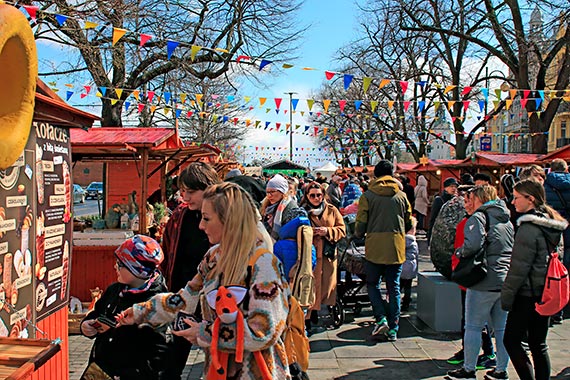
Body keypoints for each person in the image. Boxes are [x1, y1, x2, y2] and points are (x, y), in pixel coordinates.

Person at [118, 182, 290, 379]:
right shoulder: (213, 257)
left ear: (229, 221)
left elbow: (265, 331)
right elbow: (184, 299)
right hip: (218, 370)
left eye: (207, 218)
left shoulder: (264, 264)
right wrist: (140, 312)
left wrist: (205, 333)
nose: (201, 226)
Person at [501, 179, 568, 380]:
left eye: (516, 197)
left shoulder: (528, 228)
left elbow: (519, 268)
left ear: (530, 199)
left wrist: (507, 297)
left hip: (527, 294)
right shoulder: (551, 223)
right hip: (546, 291)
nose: (513, 202)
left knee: (511, 341)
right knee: (538, 343)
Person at [446, 185, 514, 380]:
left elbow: (472, 246)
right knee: (501, 328)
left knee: (473, 326)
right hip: (504, 279)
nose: (468, 203)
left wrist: (459, 252)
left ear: (480, 199)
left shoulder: (478, 218)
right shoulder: (506, 220)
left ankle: (469, 369)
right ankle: (501, 370)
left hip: (483, 280)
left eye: (471, 199)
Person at [160, 162, 220, 379]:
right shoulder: (180, 215)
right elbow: (166, 251)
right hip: (185, 293)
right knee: (176, 352)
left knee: (216, 356)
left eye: (191, 192)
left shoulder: (227, 218)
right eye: (183, 191)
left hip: (217, 299)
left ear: (209, 188)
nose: (185, 196)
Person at [80, 235, 168, 380]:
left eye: (120, 264)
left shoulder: (156, 303)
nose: (115, 267)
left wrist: (117, 330)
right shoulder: (114, 290)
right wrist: (87, 325)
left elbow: (159, 351)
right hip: (100, 370)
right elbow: (97, 312)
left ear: (137, 269)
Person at [355, 160, 412, 341]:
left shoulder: (368, 196)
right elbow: (409, 221)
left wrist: (359, 233)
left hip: (375, 247)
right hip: (396, 247)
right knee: (394, 287)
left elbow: (361, 223)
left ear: (376, 175)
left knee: (372, 284)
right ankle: (394, 327)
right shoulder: (401, 195)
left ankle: (380, 318)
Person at [301, 181, 346, 329]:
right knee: (311, 285)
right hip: (310, 254)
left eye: (319, 195)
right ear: (307, 196)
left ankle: (323, 307)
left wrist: (328, 231)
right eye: (312, 195)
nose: (316, 198)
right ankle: (310, 313)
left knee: (327, 286)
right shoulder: (302, 211)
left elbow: (342, 229)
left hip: (327, 254)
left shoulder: (332, 210)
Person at [261, 174, 307, 242]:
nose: (269, 195)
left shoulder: (292, 209)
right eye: (267, 192)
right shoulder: (267, 207)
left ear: (282, 192)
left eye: (272, 192)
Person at [400, 216, 418, 312]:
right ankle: (406, 302)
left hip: (402, 267)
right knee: (408, 287)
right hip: (411, 269)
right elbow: (416, 256)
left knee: (398, 286)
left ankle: (396, 302)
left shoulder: (401, 241)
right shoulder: (414, 242)